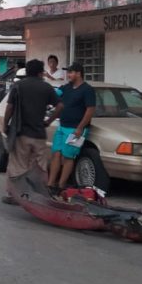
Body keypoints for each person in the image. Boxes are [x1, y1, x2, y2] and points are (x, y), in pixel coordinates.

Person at [2, 59, 61, 204]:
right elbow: (60, 106)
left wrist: (5, 124)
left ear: (27, 71)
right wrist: (48, 121)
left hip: (21, 133)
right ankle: (41, 196)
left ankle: (16, 195)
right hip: (39, 134)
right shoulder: (46, 87)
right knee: (40, 166)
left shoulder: (18, 86)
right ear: (41, 72)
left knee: (18, 164)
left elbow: (9, 108)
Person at [47, 62, 96, 195]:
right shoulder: (66, 87)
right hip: (62, 127)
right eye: (68, 72)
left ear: (79, 73)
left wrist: (80, 128)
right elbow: (54, 95)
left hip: (76, 130)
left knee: (68, 157)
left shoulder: (87, 90)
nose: (68, 75)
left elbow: (90, 110)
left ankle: (61, 185)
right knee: (56, 153)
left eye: (71, 72)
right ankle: (50, 184)